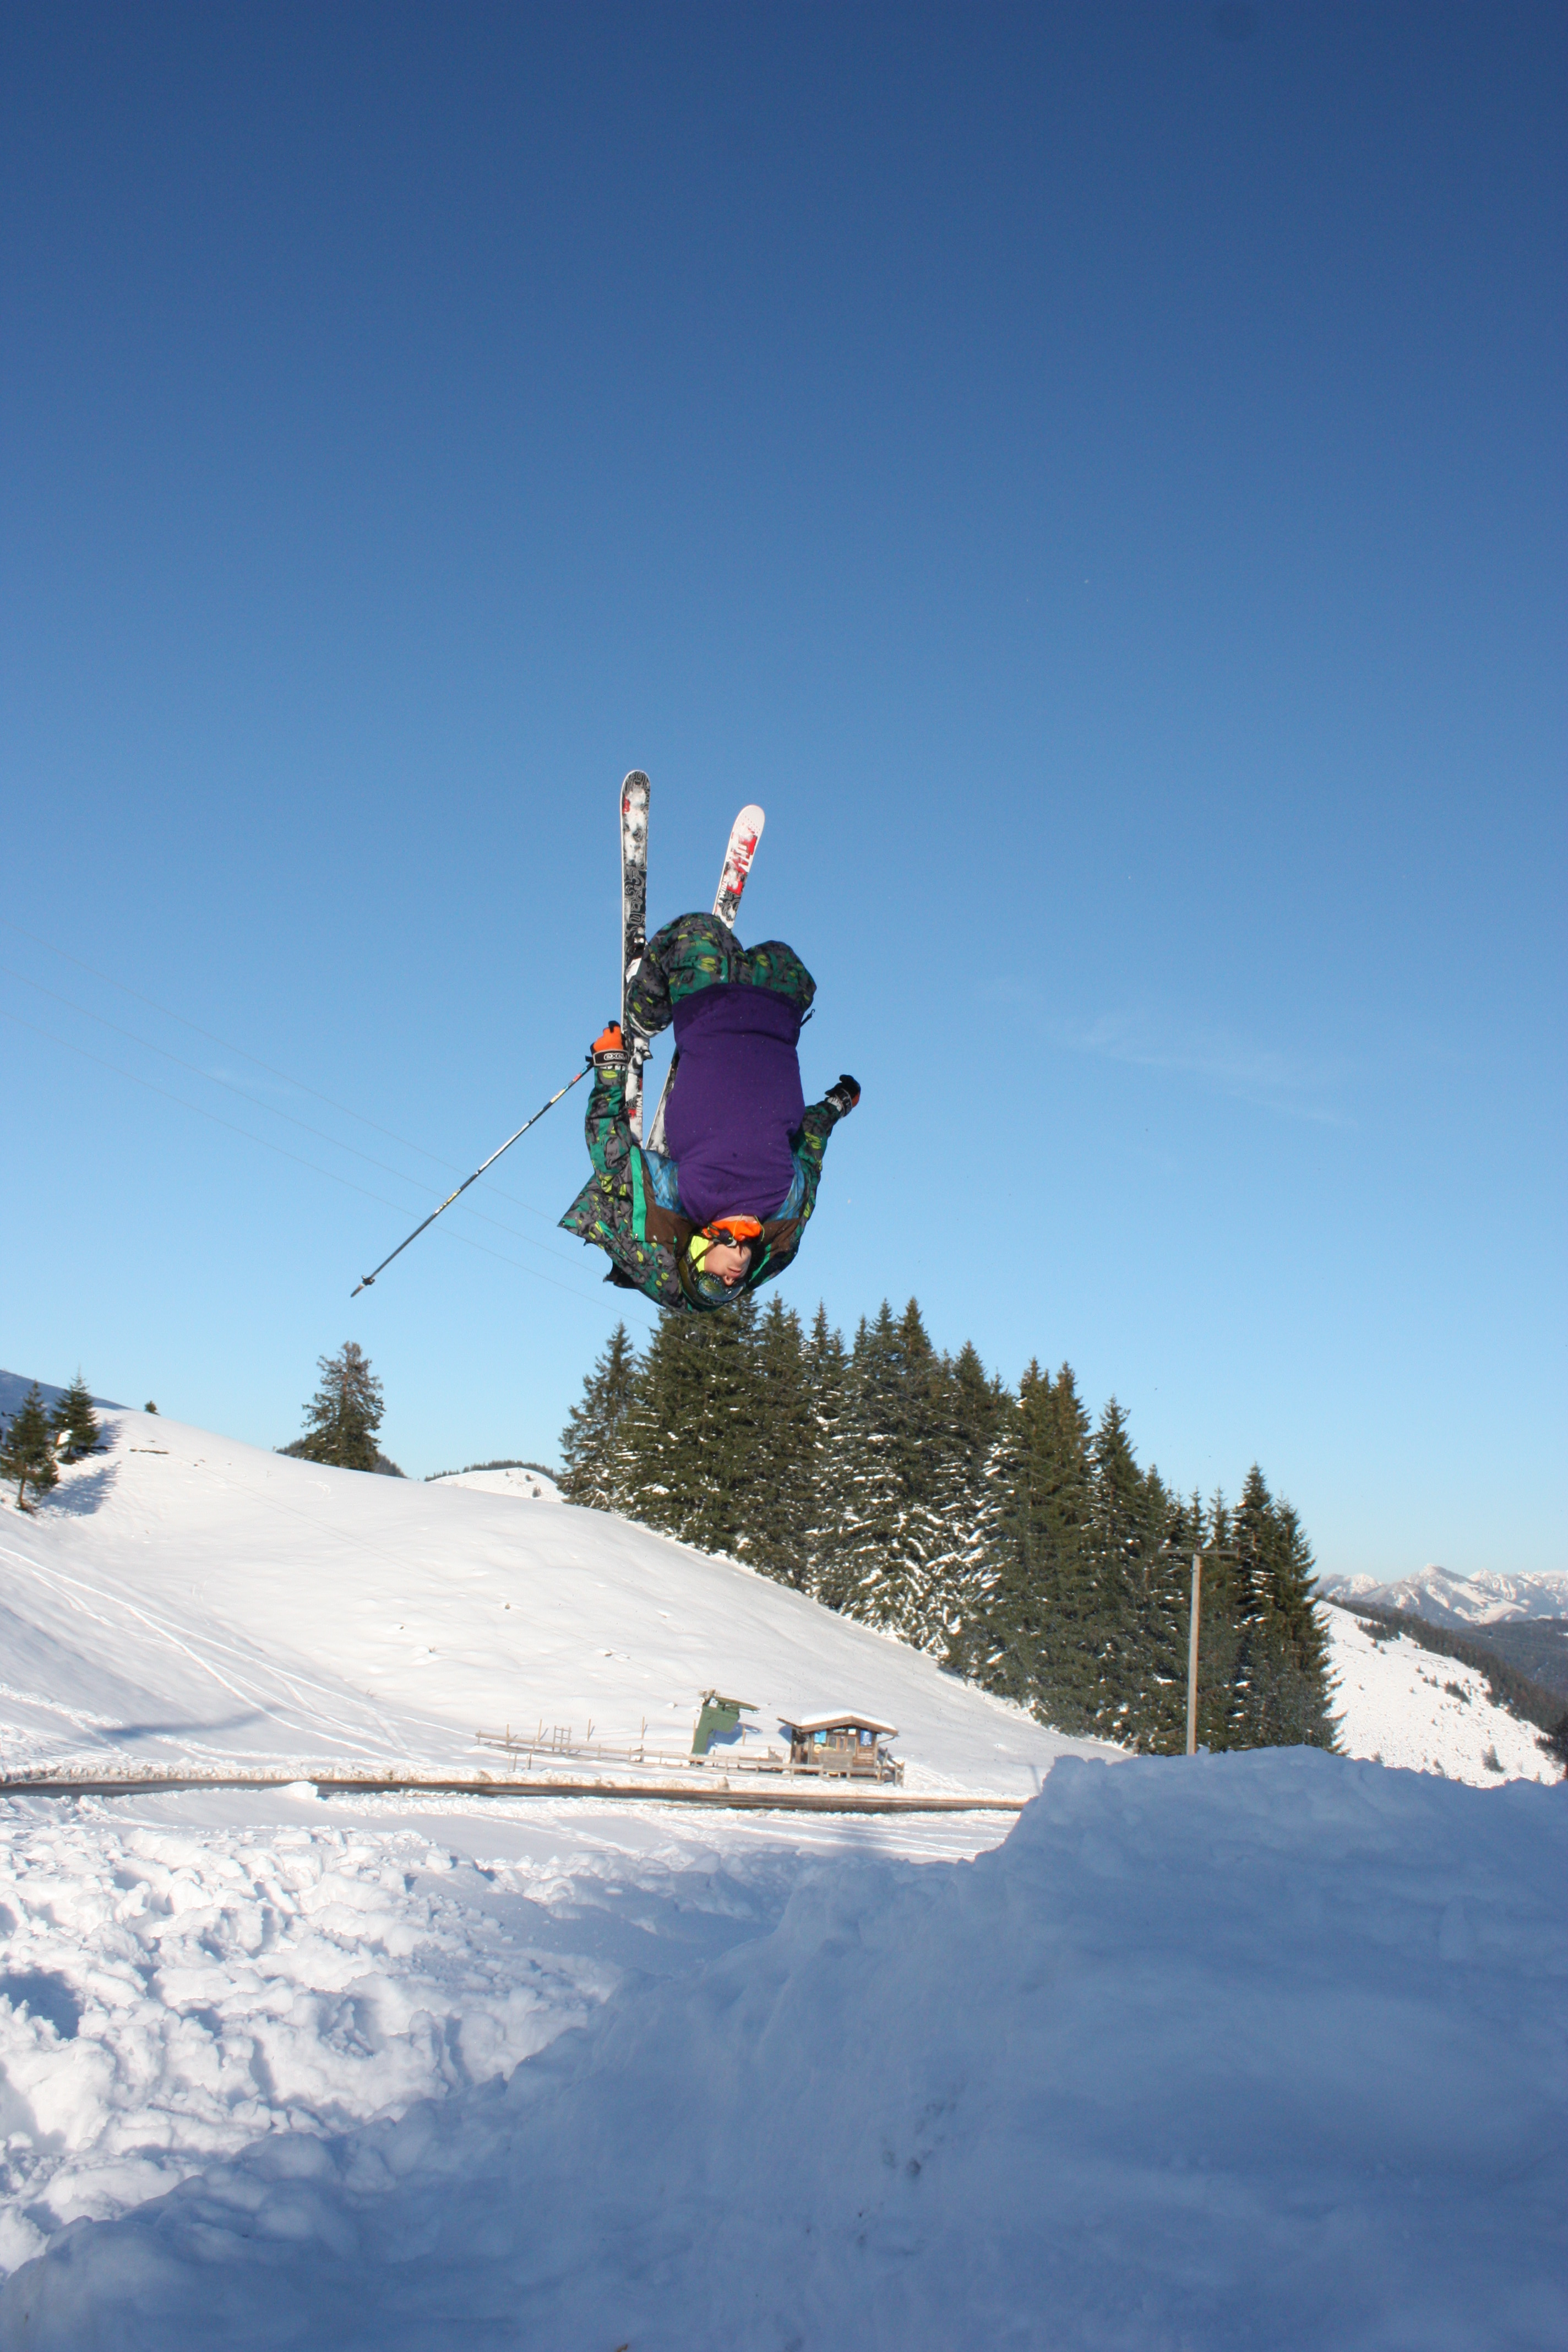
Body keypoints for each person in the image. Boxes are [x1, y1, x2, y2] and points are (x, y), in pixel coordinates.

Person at [559, 911, 859, 1311]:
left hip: (705, 1003)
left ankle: (644, 1013)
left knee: (697, 932)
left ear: (695, 1254)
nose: (729, 1284)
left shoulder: (687, 1199)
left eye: (711, 1284)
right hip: (779, 1012)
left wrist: (611, 1065)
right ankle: (739, 966)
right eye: (731, 1292)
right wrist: (839, 1103)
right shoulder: (784, 1209)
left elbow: (612, 1159)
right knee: (791, 964)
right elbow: (812, 1146)